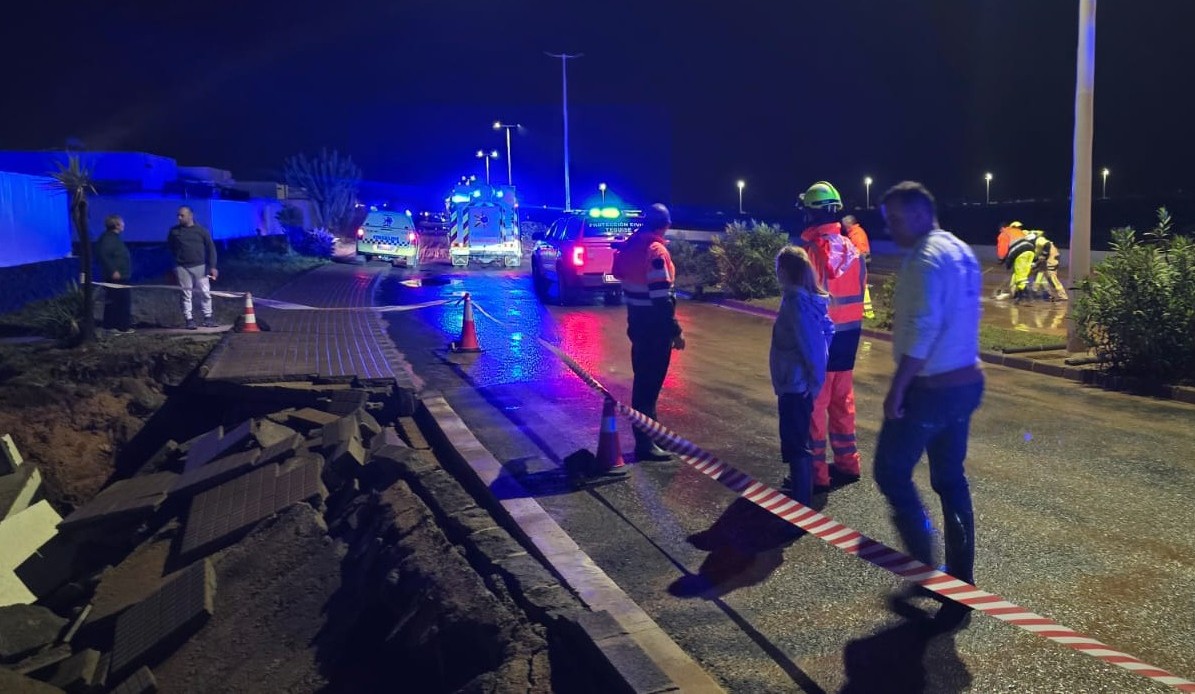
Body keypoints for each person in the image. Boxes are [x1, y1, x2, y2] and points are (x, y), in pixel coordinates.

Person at [876, 181, 984, 629]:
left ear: (922, 214)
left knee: (890, 471)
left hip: (931, 389)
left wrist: (898, 388)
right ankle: (961, 583)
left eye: (896, 220)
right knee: (950, 479)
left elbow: (922, 329)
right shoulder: (961, 251)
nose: (891, 229)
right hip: (966, 383)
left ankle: (924, 569)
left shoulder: (924, 258)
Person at [793, 181, 866, 493]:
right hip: (848, 341)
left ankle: (816, 474)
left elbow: (801, 306)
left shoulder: (808, 255)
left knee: (814, 410)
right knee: (842, 403)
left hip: (819, 343)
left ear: (811, 214)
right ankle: (848, 464)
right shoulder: (854, 251)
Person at [611, 203, 685, 462]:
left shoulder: (631, 246)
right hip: (655, 327)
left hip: (637, 323)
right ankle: (646, 443)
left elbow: (618, 272)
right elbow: (661, 297)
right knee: (649, 387)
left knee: (643, 381)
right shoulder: (655, 251)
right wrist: (675, 331)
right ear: (666, 225)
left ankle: (652, 435)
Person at [770, 246, 835, 504]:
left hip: (796, 386)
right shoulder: (803, 300)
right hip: (796, 384)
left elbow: (814, 348)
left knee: (796, 445)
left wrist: (814, 383)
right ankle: (800, 493)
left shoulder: (796, 303)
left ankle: (801, 503)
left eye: (778, 269)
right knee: (798, 440)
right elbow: (827, 332)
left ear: (785, 271)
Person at [167, 205, 218, 329]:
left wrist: (212, 266)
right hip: (182, 267)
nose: (179, 218)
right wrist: (175, 264)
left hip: (200, 266)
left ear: (190, 215)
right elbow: (170, 248)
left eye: (182, 215)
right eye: (178, 215)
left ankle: (208, 317)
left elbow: (211, 248)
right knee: (186, 294)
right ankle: (189, 319)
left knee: (205, 293)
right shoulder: (174, 232)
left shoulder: (201, 231)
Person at [95, 214, 133, 334]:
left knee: (121, 301)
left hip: (122, 275)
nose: (123, 225)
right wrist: (113, 271)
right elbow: (104, 256)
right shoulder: (108, 239)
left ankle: (119, 326)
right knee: (117, 301)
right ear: (117, 225)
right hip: (116, 277)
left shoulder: (114, 238)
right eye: (122, 222)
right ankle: (115, 326)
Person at [841, 215, 875, 319]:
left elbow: (860, 252)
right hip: (861, 263)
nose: (844, 228)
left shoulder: (856, 234)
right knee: (860, 286)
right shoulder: (856, 232)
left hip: (859, 263)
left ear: (849, 224)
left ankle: (866, 311)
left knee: (859, 286)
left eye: (844, 225)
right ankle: (866, 311)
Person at [1029, 232, 1068, 301]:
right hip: (1048, 259)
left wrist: (1043, 256)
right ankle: (1048, 294)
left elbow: (1047, 245)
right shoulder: (1037, 243)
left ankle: (1063, 296)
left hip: (1051, 259)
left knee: (1052, 278)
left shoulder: (1039, 240)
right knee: (1044, 276)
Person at [994, 221, 1026, 300]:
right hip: (1029, 253)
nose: (1000, 232)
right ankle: (1016, 292)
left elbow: (1003, 247)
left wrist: (1001, 258)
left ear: (1002, 228)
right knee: (1019, 274)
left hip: (1018, 253)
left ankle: (1016, 294)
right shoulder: (1019, 232)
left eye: (1000, 230)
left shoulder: (1004, 233)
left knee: (1015, 273)